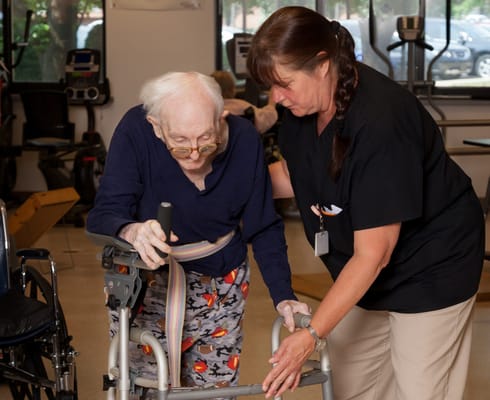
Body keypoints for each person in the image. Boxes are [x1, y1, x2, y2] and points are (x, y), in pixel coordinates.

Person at [246, 6, 485, 400]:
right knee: (351, 385)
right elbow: (298, 173)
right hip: (361, 266)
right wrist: (224, 192)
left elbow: (374, 254)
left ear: (322, 65)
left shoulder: (381, 121)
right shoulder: (301, 108)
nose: (276, 98)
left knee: (420, 390)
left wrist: (310, 334)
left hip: (431, 265)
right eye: (270, 87)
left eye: (284, 84)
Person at [86, 71, 309, 395]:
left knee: (215, 392)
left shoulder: (244, 139)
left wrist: (283, 295)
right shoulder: (136, 130)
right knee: (146, 389)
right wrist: (133, 231)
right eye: (179, 142)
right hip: (149, 286)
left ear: (222, 118)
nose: (194, 153)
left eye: (206, 139)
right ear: (157, 126)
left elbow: (263, 225)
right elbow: (103, 214)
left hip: (223, 286)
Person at [211, 70, 278, 134]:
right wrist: (271, 104)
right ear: (232, 88)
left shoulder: (207, 110)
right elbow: (265, 120)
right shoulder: (242, 106)